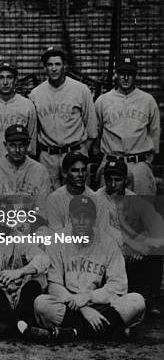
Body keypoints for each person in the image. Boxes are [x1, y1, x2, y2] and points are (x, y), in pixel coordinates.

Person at [30, 196, 146, 341]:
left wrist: (88, 298)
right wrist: (83, 309)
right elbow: (54, 286)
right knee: (41, 304)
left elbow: (118, 286)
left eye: (87, 217)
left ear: (94, 219)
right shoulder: (57, 241)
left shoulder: (108, 243)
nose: (82, 221)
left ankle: (74, 332)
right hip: (69, 306)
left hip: (101, 306)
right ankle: (110, 331)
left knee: (137, 301)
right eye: (77, 216)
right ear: (70, 217)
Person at [94, 156, 164, 316]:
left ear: (125, 180)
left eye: (117, 180)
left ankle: (150, 300)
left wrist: (143, 245)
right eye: (109, 179)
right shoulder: (96, 198)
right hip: (102, 256)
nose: (112, 184)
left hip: (128, 257)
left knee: (156, 249)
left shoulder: (135, 200)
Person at [29, 46, 98, 189]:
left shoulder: (81, 90)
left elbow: (91, 129)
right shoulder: (35, 94)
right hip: (48, 157)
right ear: (44, 68)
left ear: (64, 66)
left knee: (79, 202)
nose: (54, 69)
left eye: (57, 64)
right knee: (49, 202)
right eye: (50, 64)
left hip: (75, 153)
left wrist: (81, 154)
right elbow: (34, 131)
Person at [95, 55, 160, 194]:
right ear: (116, 75)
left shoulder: (147, 100)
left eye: (130, 74)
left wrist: (145, 161)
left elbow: (155, 134)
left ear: (135, 76)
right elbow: (96, 133)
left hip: (138, 165)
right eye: (122, 73)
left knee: (143, 210)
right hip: (111, 163)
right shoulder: (103, 101)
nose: (125, 78)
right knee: (108, 211)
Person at [0, 124, 51, 209]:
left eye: (21, 145)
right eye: (13, 145)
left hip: (31, 219)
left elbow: (43, 208)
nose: (17, 150)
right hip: (0, 220)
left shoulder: (40, 171)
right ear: (5, 145)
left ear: (28, 145)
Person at [0, 62, 36, 164]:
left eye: (9, 77)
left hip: (19, 162)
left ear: (15, 80)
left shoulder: (27, 105)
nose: (5, 82)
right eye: (1, 78)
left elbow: (32, 141)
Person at [43, 152, 105, 233]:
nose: (80, 174)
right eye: (75, 171)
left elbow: (99, 232)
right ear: (64, 173)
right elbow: (56, 233)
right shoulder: (54, 199)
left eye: (83, 170)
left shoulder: (95, 198)